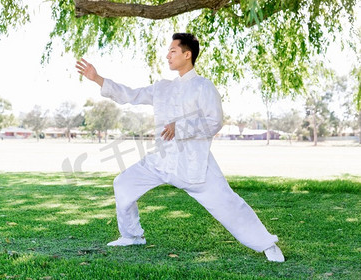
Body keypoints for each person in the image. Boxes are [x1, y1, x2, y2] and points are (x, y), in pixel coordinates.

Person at [75, 33, 285, 262]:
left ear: (188, 54)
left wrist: (181, 126)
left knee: (228, 203)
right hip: (162, 159)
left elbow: (214, 122)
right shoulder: (162, 87)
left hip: (195, 164)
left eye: (173, 51)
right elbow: (131, 95)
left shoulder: (203, 87)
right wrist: (97, 78)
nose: (167, 55)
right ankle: (132, 236)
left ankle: (267, 244)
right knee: (123, 183)